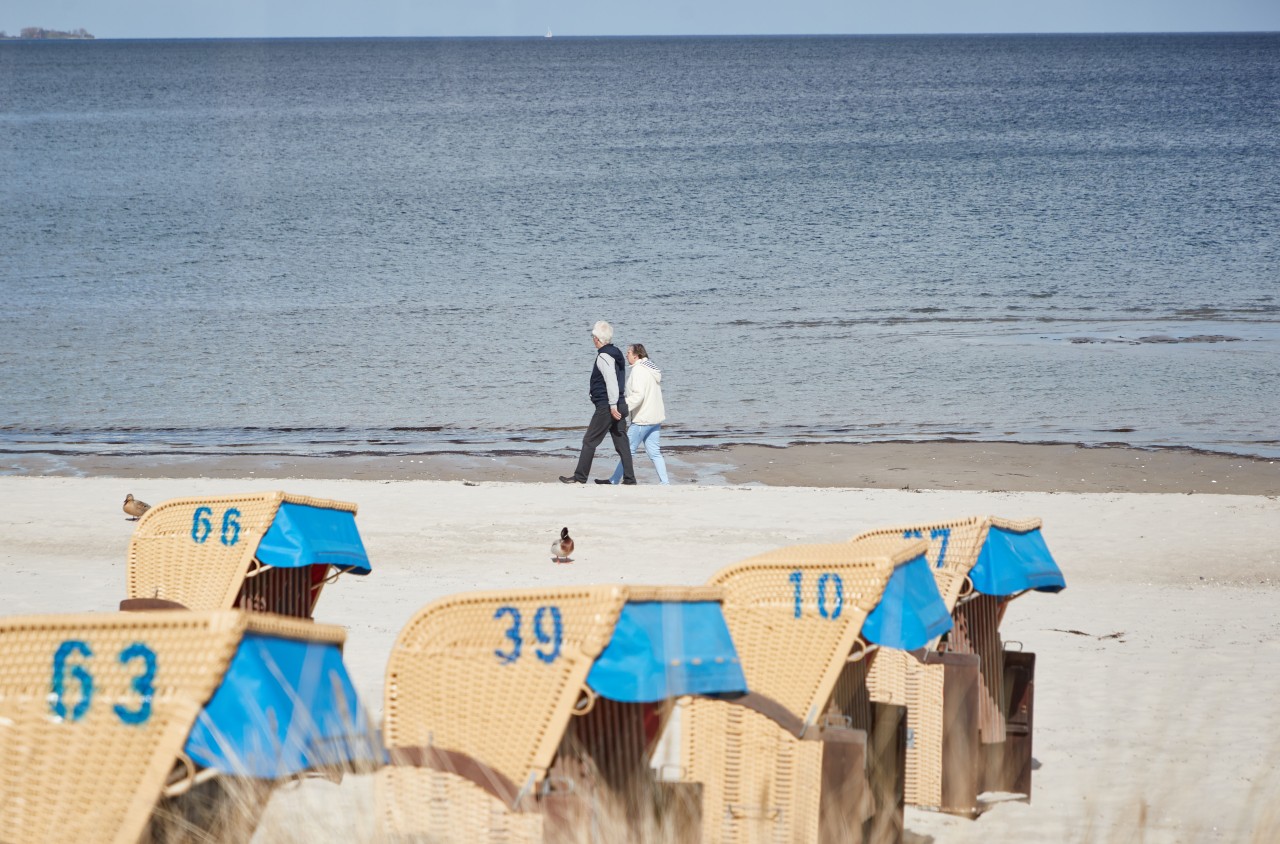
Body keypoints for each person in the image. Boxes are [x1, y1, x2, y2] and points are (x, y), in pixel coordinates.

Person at [560, 321, 636, 485]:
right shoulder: (616, 354)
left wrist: (613, 405)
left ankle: (580, 477)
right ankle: (630, 479)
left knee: (589, 441)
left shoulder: (604, 356)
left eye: (592, 336)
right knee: (621, 443)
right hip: (618, 403)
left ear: (597, 338)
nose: (592, 339)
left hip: (608, 406)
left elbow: (611, 382)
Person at [600, 343, 668, 485]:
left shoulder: (638, 370)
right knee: (654, 452)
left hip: (642, 419)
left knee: (627, 450)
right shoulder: (650, 368)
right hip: (655, 418)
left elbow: (638, 395)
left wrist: (622, 408)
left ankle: (614, 479)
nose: (626, 355)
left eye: (629, 352)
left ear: (636, 356)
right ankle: (665, 482)